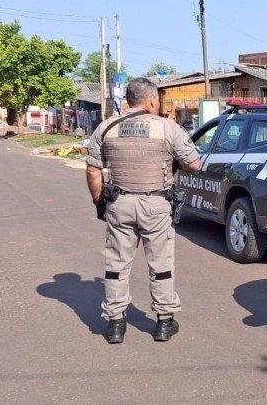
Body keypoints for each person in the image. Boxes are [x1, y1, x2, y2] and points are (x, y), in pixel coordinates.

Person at [86, 78, 201, 344]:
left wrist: (99, 203)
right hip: (156, 205)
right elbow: (193, 164)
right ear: (151, 100)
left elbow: (93, 170)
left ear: (128, 100)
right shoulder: (167, 128)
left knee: (116, 265)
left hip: (120, 204)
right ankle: (163, 322)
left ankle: (115, 324)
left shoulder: (106, 127)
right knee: (160, 265)